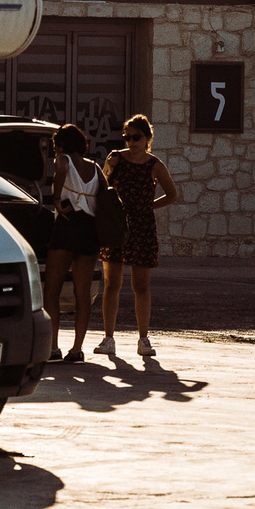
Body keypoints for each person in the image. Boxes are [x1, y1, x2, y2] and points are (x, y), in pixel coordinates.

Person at [97, 113, 180, 359]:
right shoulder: (116, 159)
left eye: (136, 137)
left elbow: (172, 194)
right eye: (127, 137)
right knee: (112, 283)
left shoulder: (155, 165)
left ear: (147, 138)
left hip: (142, 227)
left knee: (141, 286)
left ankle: (143, 338)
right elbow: (101, 187)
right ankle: (108, 338)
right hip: (116, 225)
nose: (131, 142)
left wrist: (148, 207)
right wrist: (108, 167)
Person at [45, 124, 102, 363]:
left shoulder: (63, 159)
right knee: (83, 292)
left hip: (67, 226)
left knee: (52, 290)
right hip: (90, 230)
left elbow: (61, 168)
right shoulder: (95, 167)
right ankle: (77, 349)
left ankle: (52, 348)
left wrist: (57, 199)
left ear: (61, 144)